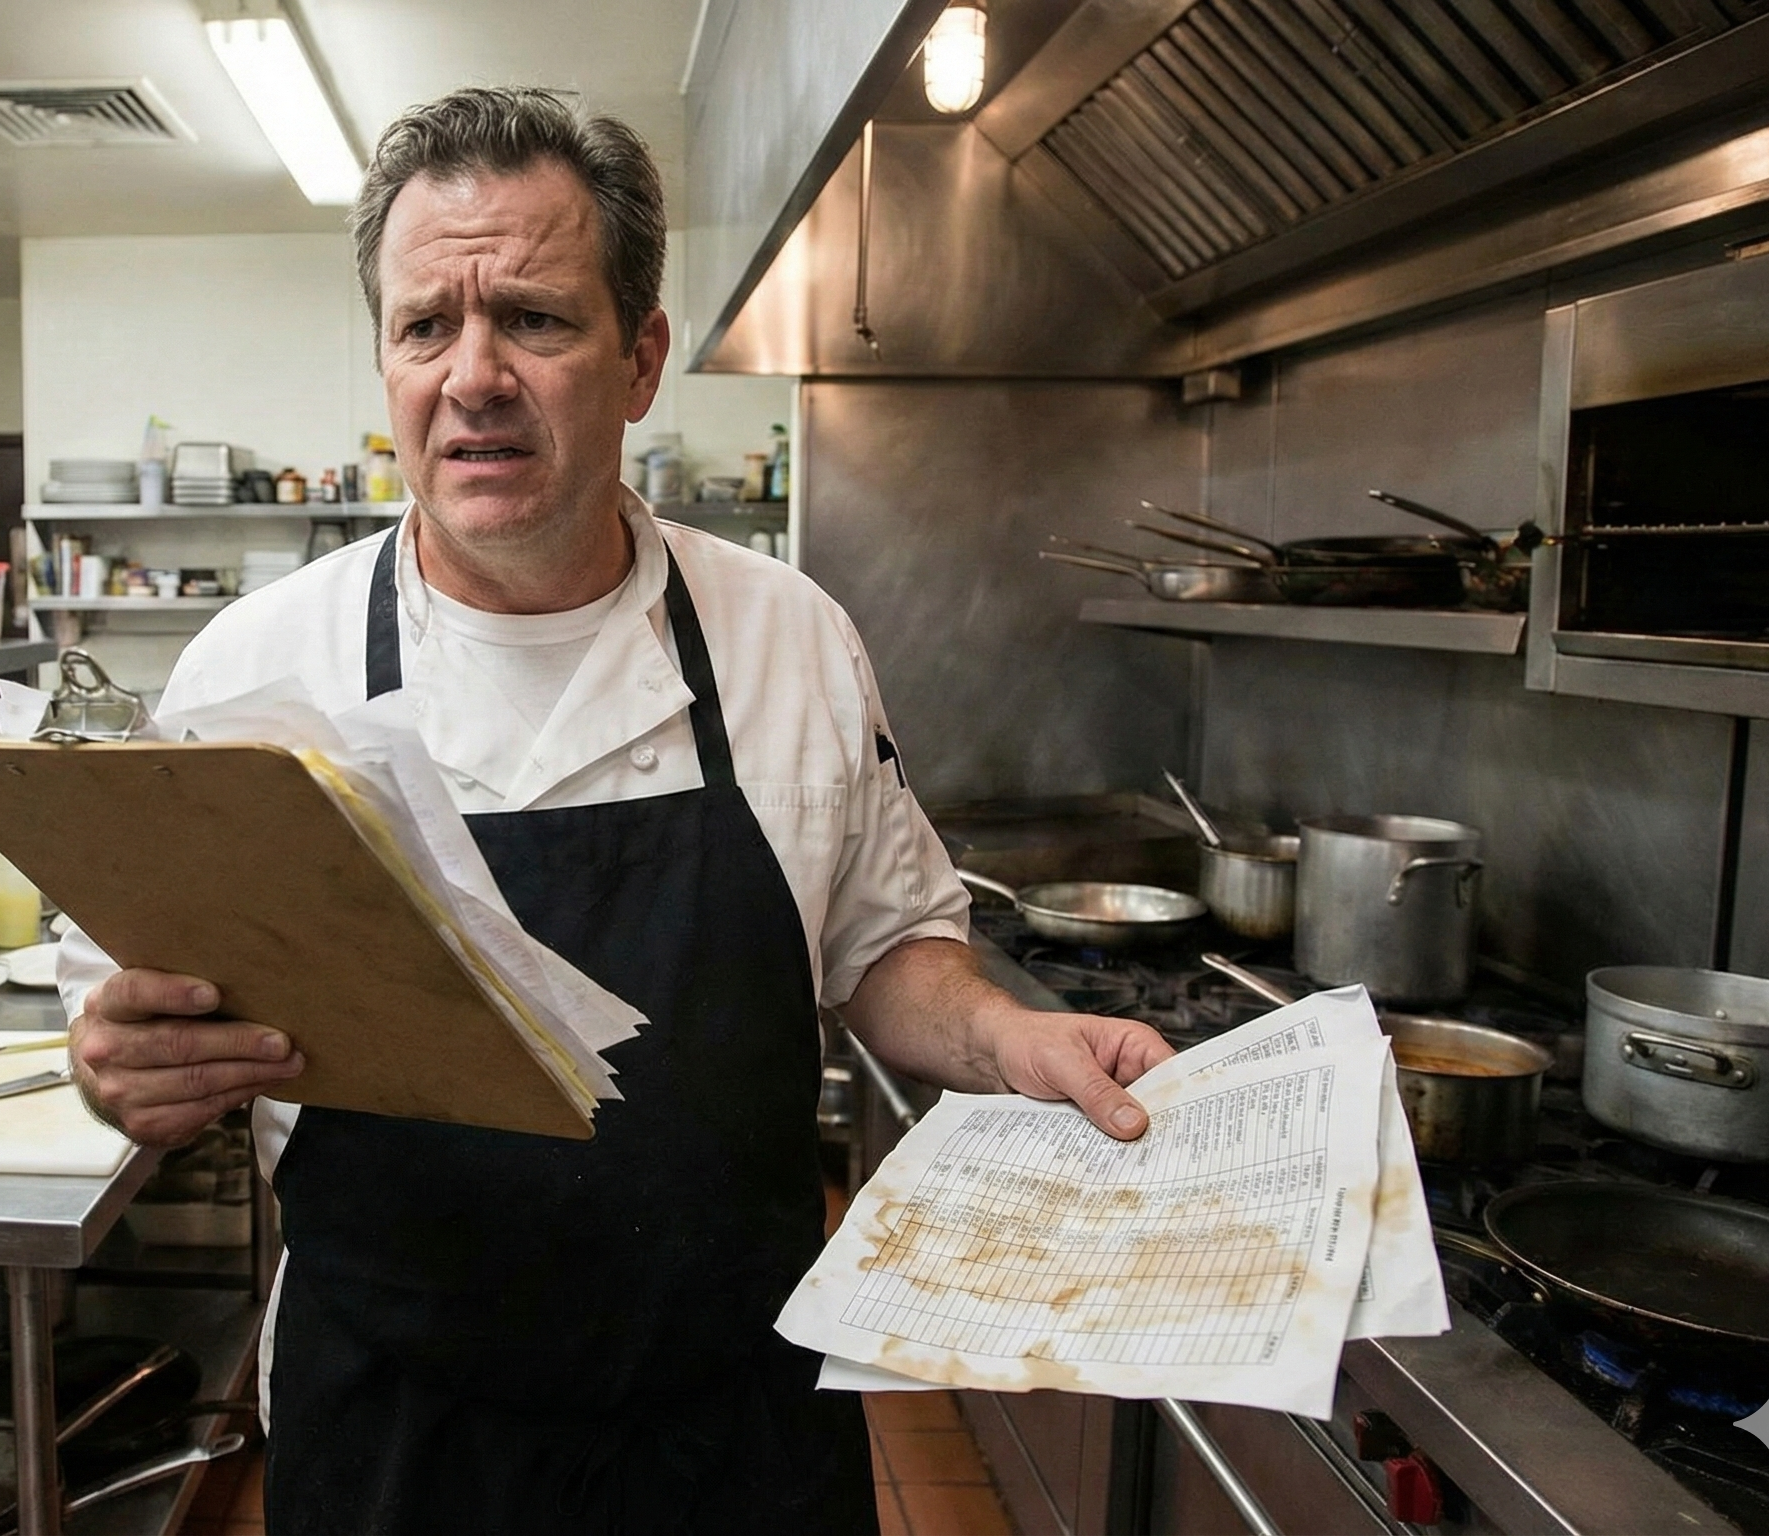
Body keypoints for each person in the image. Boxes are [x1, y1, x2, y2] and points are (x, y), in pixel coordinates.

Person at [58, 86, 1173, 1535]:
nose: (474, 376)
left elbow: (891, 946)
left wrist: (1010, 1034)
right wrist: (118, 1069)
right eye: (424, 328)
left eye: (533, 318)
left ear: (641, 358)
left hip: (733, 1431)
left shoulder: (789, 638)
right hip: (399, 1433)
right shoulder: (254, 673)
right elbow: (124, 1010)